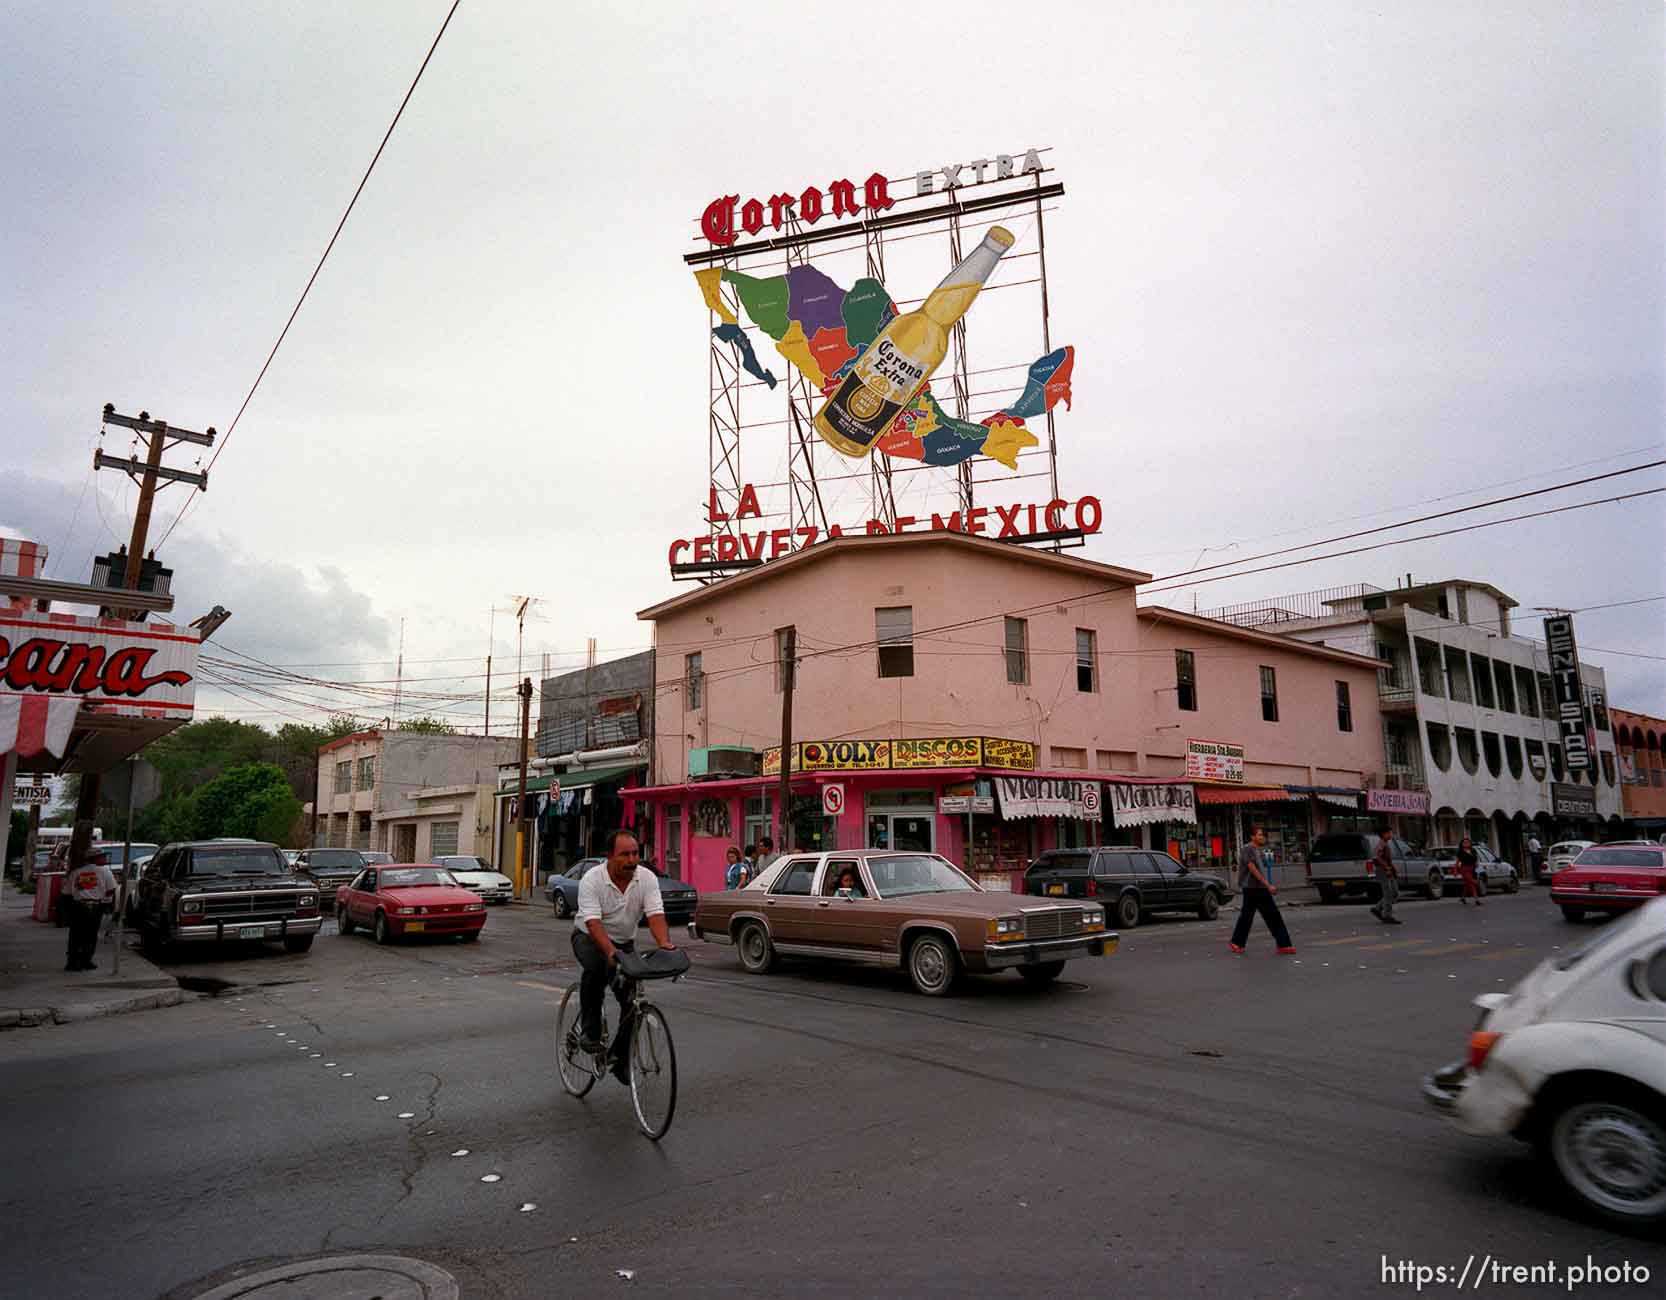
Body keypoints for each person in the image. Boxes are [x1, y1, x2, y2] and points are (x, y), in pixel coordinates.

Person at [570, 829, 677, 1084]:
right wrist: (609, 952)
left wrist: (664, 944)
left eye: (636, 853)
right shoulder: (592, 880)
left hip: (625, 942)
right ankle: (590, 1032)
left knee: (633, 1000)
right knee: (596, 968)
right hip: (589, 936)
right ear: (609, 856)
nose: (632, 860)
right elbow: (593, 922)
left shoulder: (646, 878)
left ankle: (619, 1058)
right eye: (625, 854)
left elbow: (655, 915)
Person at [1229, 827, 1294, 954]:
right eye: (1259, 835)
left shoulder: (1259, 850)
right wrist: (1268, 885)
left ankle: (1237, 942)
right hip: (1252, 888)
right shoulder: (1247, 849)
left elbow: (1263, 868)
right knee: (1260, 916)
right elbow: (1252, 868)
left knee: (1264, 916)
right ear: (1252, 837)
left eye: (1263, 835)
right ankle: (1283, 944)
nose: (1262, 837)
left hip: (1259, 887)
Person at [62, 847, 117, 972]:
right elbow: (112, 888)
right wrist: (103, 897)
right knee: (91, 935)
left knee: (76, 934)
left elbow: (66, 893)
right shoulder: (105, 871)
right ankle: (86, 960)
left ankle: (73, 962)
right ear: (95, 858)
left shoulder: (76, 872)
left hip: (78, 906)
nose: (104, 858)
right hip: (96, 906)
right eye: (102, 856)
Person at [1369, 828, 1402, 925]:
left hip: (1389, 870)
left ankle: (1378, 908)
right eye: (1389, 833)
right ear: (1383, 834)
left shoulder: (1385, 844)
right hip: (1383, 871)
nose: (1391, 834)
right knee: (1388, 893)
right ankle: (1387, 915)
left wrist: (1392, 869)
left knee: (1394, 892)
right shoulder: (1381, 844)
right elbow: (1376, 857)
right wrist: (1386, 868)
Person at [1455, 836, 1481, 906]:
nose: (1466, 843)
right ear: (1462, 844)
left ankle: (1463, 897)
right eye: (1464, 842)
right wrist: (1455, 871)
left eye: (1467, 842)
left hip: (1472, 869)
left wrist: (1476, 863)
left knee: (1467, 884)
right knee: (1472, 883)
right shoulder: (1460, 852)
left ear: (1470, 843)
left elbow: (1475, 859)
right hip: (1464, 869)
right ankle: (1477, 900)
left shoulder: (1473, 850)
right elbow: (1457, 862)